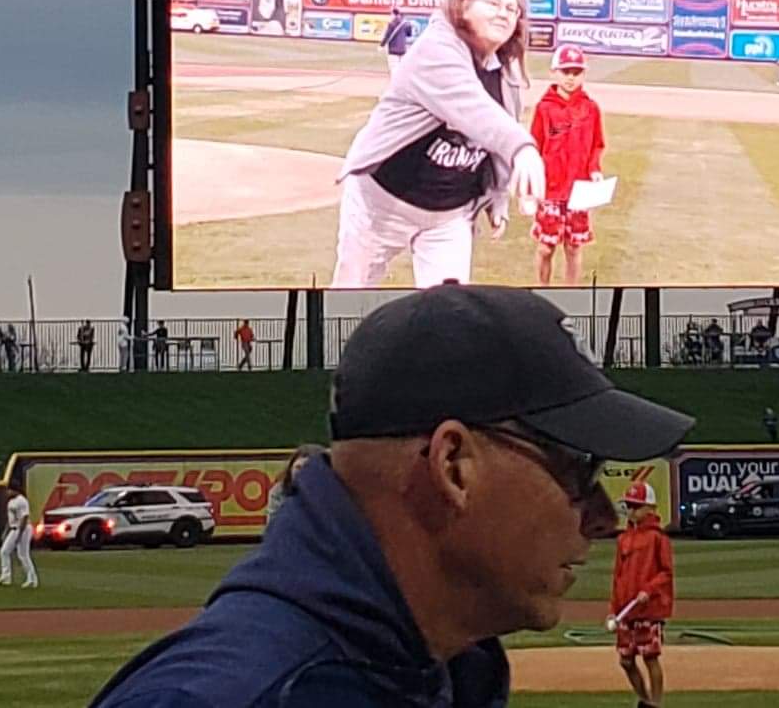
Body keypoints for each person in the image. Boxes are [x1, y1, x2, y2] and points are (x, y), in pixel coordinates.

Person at [90, 284, 694, 707]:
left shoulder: (438, 667)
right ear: (453, 464)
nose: (601, 515)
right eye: (576, 468)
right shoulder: (239, 694)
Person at [332, 0, 547, 288]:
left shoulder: (506, 69)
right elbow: (473, 107)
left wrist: (497, 196)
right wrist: (523, 148)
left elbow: (504, 122)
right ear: (464, 6)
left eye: (512, 9)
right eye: (493, 3)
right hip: (382, 203)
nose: (504, 12)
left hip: (448, 215)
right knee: (349, 299)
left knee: (450, 311)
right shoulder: (435, 49)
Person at [529, 43, 606, 287]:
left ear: (583, 74)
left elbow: (597, 143)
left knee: (573, 248)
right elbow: (534, 146)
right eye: (566, 72)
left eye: (576, 72)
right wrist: (534, 186)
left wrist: (594, 169)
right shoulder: (545, 108)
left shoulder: (590, 108)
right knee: (545, 248)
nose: (571, 78)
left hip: (579, 189)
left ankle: (570, 295)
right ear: (555, 73)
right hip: (551, 189)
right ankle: (543, 290)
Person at [611, 480, 674, 708]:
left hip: (649, 608)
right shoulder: (623, 539)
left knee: (650, 656)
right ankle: (644, 699)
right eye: (629, 505)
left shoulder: (658, 538)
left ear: (651, 508)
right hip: (626, 610)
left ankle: (656, 704)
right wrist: (614, 610)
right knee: (626, 660)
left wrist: (649, 590)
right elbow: (617, 577)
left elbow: (666, 572)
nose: (633, 511)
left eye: (637, 506)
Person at [264, 443, 327, 527]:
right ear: (290, 468)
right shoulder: (279, 491)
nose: (302, 473)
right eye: (298, 467)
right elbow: (274, 527)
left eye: (308, 468)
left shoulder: (334, 492)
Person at [0, 484, 39, 589]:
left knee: (23, 555)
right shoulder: (10, 502)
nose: (7, 492)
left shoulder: (22, 500)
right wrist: (6, 531)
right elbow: (10, 520)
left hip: (23, 528)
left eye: (9, 490)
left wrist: (20, 534)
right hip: (14, 528)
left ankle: (32, 579)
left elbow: (24, 518)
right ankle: (6, 577)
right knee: (4, 551)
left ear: (15, 490)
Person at [381, 5, 415, 74]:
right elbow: (409, 35)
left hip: (393, 50)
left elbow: (387, 36)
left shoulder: (391, 23)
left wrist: (382, 45)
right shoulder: (406, 24)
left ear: (394, 14)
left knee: (393, 69)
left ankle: (395, 83)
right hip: (402, 49)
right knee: (402, 69)